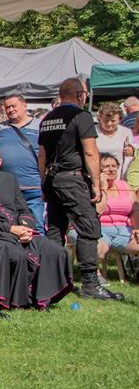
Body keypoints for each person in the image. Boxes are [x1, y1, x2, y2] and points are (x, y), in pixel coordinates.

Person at [0, 142, 78, 308]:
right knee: (21, 255)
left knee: (56, 251)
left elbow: (23, 210)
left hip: (19, 231)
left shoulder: (9, 179)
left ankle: (41, 298)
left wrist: (27, 229)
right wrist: (11, 229)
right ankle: (20, 299)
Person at [37, 77, 118, 301]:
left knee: (56, 229)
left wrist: (43, 182)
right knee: (88, 227)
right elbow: (90, 151)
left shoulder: (47, 119)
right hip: (72, 179)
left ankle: (53, 281)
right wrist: (96, 184)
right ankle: (91, 283)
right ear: (80, 95)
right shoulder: (81, 116)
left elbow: (42, 154)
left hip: (52, 179)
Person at [0, 92, 43, 229]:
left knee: (37, 226)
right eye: (7, 107)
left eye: (13, 106)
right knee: (12, 226)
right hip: (7, 188)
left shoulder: (40, 126)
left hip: (33, 187)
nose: (10, 110)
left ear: (24, 105)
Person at [96, 154, 137, 268]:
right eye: (106, 166)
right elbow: (98, 210)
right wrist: (103, 187)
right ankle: (94, 274)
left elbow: (135, 210)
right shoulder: (92, 187)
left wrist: (137, 228)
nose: (111, 169)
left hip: (124, 230)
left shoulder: (124, 185)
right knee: (99, 247)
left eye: (114, 166)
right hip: (100, 229)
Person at [96, 102, 135, 180]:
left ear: (119, 120)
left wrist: (132, 152)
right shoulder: (92, 131)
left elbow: (130, 157)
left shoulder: (126, 132)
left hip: (118, 178)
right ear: (99, 118)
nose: (109, 124)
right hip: (97, 176)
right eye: (106, 120)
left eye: (113, 121)